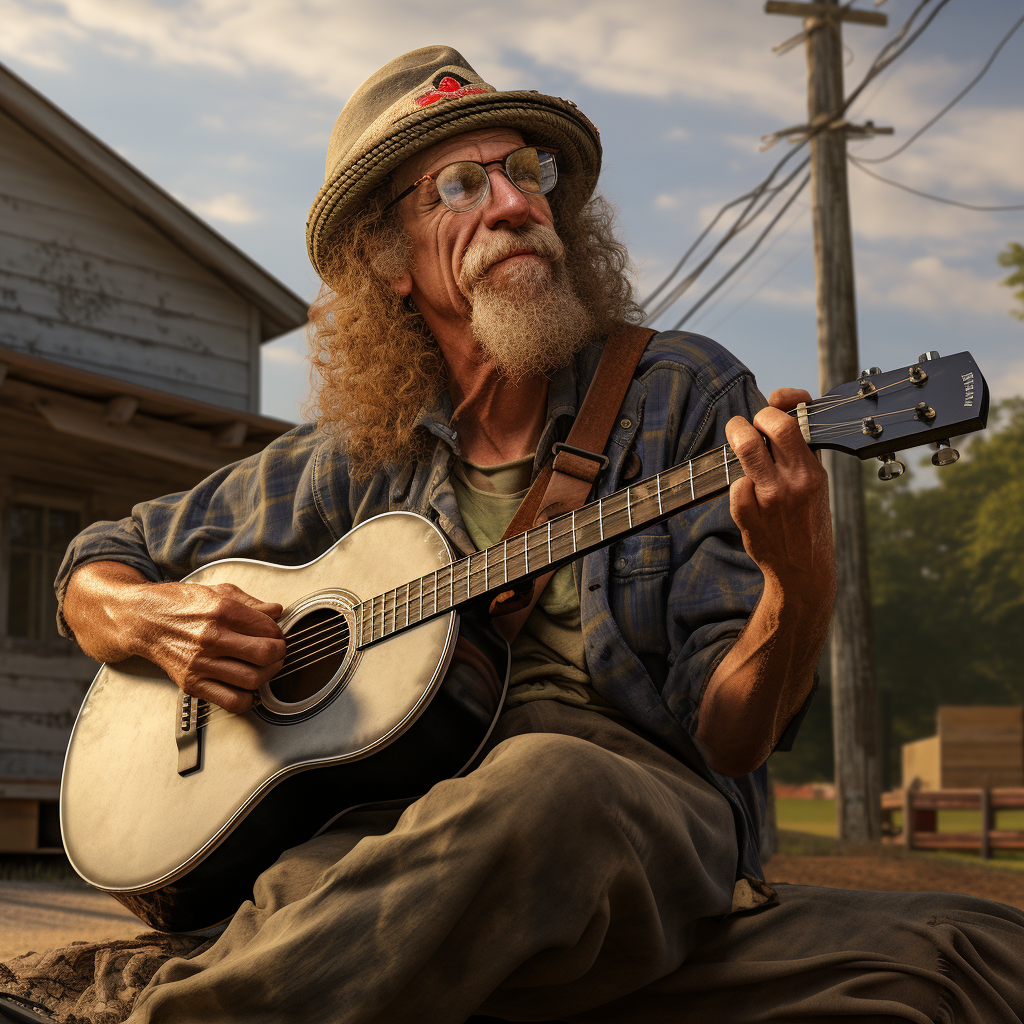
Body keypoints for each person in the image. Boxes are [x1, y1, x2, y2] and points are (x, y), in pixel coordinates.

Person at [54, 46, 1024, 1024]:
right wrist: (149, 617)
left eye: (527, 171)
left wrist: (798, 585)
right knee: (305, 882)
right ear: (388, 260)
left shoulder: (681, 394)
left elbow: (732, 740)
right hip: (416, 839)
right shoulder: (361, 455)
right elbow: (101, 559)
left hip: (629, 814)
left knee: (545, 782)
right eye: (460, 185)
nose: (515, 203)